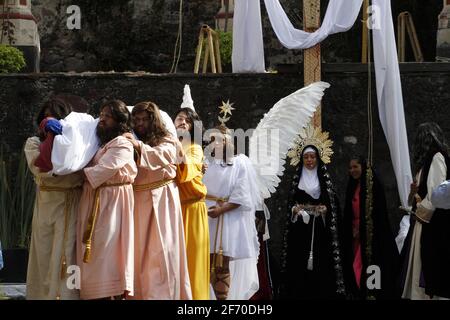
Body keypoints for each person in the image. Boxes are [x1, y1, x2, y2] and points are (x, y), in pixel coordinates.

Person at [124, 101, 192, 300]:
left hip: (162, 200)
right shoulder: (130, 139)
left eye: (145, 119)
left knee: (162, 254)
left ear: (154, 121)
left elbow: (162, 155)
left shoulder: (167, 139)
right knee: (139, 255)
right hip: (137, 202)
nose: (140, 124)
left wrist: (137, 145)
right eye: (136, 120)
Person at [76, 100, 137, 300]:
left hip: (112, 204)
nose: (101, 120)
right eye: (101, 115)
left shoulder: (122, 143)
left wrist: (76, 173)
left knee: (107, 253)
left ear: (119, 121)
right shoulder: (101, 144)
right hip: (96, 200)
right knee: (94, 254)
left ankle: (110, 294)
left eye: (107, 116)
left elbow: (104, 170)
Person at [24, 98, 83, 300]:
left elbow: (79, 173)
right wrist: (59, 163)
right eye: (46, 116)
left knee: (68, 253)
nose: (49, 119)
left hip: (72, 203)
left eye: (54, 116)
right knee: (44, 252)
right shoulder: (34, 143)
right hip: (47, 204)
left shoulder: (77, 147)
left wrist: (66, 154)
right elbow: (40, 168)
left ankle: (68, 296)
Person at [279, 126, 345, 299]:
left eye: (312, 157)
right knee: (299, 262)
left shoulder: (324, 181)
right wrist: (295, 210)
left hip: (320, 230)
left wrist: (325, 210)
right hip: (300, 229)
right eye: (306, 157)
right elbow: (290, 206)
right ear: (301, 159)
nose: (309, 160)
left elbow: (332, 204)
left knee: (320, 262)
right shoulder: (296, 181)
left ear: (318, 158)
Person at [203, 124, 260, 300]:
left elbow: (241, 195)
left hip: (225, 218)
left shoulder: (239, 163)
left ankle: (223, 300)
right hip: (205, 214)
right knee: (205, 261)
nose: (216, 144)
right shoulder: (205, 163)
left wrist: (221, 210)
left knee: (221, 262)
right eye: (212, 141)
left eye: (220, 140)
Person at [402, 122, 450, 300]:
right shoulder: (426, 162)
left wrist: (421, 213)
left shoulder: (437, 157)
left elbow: (437, 193)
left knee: (429, 261)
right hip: (424, 221)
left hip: (432, 222)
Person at [342, 156, 400, 299]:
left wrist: (362, 228)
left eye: (355, 167)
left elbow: (378, 212)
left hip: (371, 235)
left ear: (363, 167)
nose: (352, 170)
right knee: (356, 267)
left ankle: (372, 292)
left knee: (370, 266)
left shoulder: (372, 185)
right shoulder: (352, 186)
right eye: (350, 168)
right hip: (355, 236)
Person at [174, 105, 210, 300]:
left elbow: (186, 170)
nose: (182, 122)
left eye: (187, 121)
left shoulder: (195, 148)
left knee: (192, 262)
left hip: (193, 209)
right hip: (174, 209)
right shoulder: (167, 143)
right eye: (179, 118)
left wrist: (174, 142)